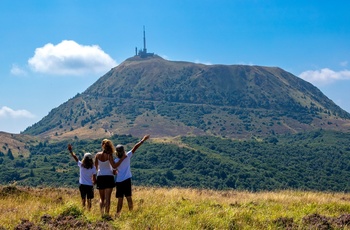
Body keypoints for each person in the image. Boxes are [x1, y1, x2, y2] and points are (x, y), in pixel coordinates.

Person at [109, 134, 150, 218]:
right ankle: (131, 214)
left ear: (116, 152)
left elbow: (114, 171)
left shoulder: (115, 161)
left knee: (120, 199)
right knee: (128, 197)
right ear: (123, 151)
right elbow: (135, 148)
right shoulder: (127, 156)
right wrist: (142, 140)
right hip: (127, 180)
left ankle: (117, 215)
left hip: (119, 181)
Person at [95, 139, 126, 219]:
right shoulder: (109, 155)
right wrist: (121, 159)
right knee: (108, 198)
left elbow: (96, 167)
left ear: (102, 145)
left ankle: (101, 214)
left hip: (100, 176)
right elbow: (114, 166)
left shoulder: (97, 155)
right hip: (109, 177)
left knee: (102, 198)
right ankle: (107, 215)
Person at [68, 144, 97, 211]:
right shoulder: (93, 168)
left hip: (82, 184)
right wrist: (94, 183)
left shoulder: (81, 165)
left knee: (83, 199)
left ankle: (83, 211)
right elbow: (94, 178)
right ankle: (89, 211)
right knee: (89, 199)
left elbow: (75, 157)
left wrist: (71, 151)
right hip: (89, 185)